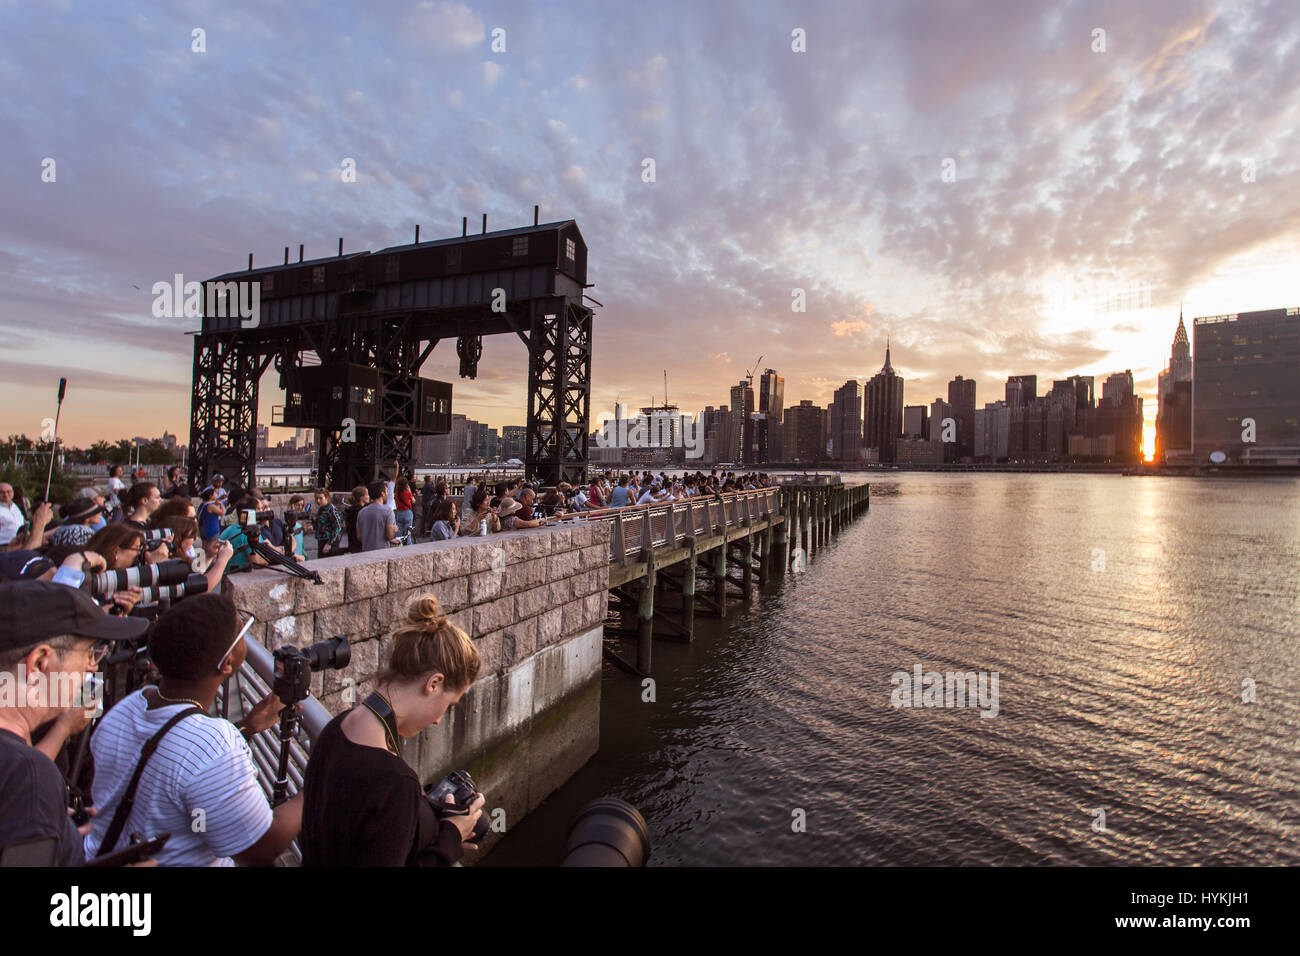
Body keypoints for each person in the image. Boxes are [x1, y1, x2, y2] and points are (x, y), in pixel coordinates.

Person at [84, 593, 302, 866]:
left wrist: (246, 727)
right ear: (227, 662)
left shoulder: (130, 706)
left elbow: (180, 763)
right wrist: (316, 779)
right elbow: (260, 848)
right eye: (240, 631)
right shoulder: (214, 746)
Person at [298, 594, 484, 866]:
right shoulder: (396, 783)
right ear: (433, 683)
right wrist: (450, 838)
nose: (438, 720)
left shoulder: (336, 728)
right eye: (448, 704)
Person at [0, 581, 149, 866]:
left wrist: (45, 827)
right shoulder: (27, 775)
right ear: (39, 664)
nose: (92, 667)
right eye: (89, 651)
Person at [358, 481, 397, 552]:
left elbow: (359, 537)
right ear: (382, 494)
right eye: (386, 492)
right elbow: (390, 536)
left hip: (365, 552)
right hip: (381, 553)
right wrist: (395, 529)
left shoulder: (361, 512)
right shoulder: (388, 511)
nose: (387, 494)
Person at [313, 489, 343, 557]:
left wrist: (329, 543)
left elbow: (338, 527)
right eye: (316, 498)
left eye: (321, 498)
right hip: (321, 540)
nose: (318, 501)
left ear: (327, 498)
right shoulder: (321, 509)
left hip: (329, 541)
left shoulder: (331, 509)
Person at [344, 486, 369, 554]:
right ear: (361, 498)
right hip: (360, 544)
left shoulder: (350, 511)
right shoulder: (361, 511)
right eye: (367, 494)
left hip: (352, 543)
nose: (368, 496)